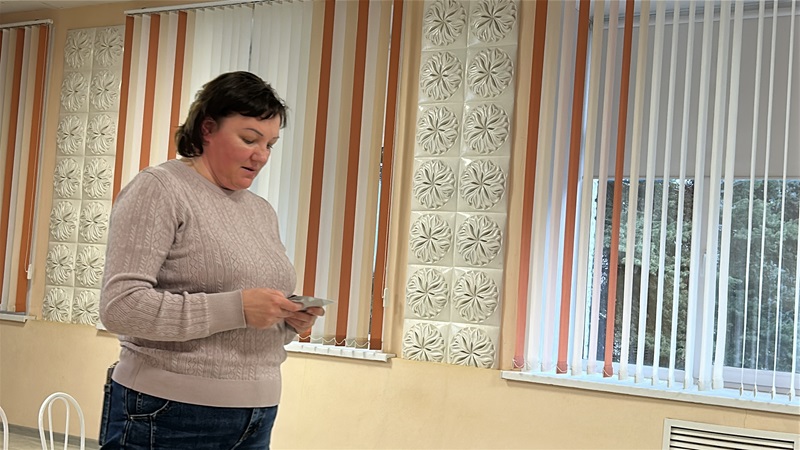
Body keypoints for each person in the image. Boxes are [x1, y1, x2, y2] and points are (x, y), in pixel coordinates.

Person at [98, 71, 323, 449]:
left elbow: (244, 317)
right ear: (207, 129)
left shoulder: (260, 211)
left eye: (270, 144)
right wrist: (238, 308)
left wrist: (286, 319)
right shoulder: (161, 189)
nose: (262, 155)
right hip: (167, 412)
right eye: (249, 139)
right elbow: (121, 307)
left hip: (257, 415)